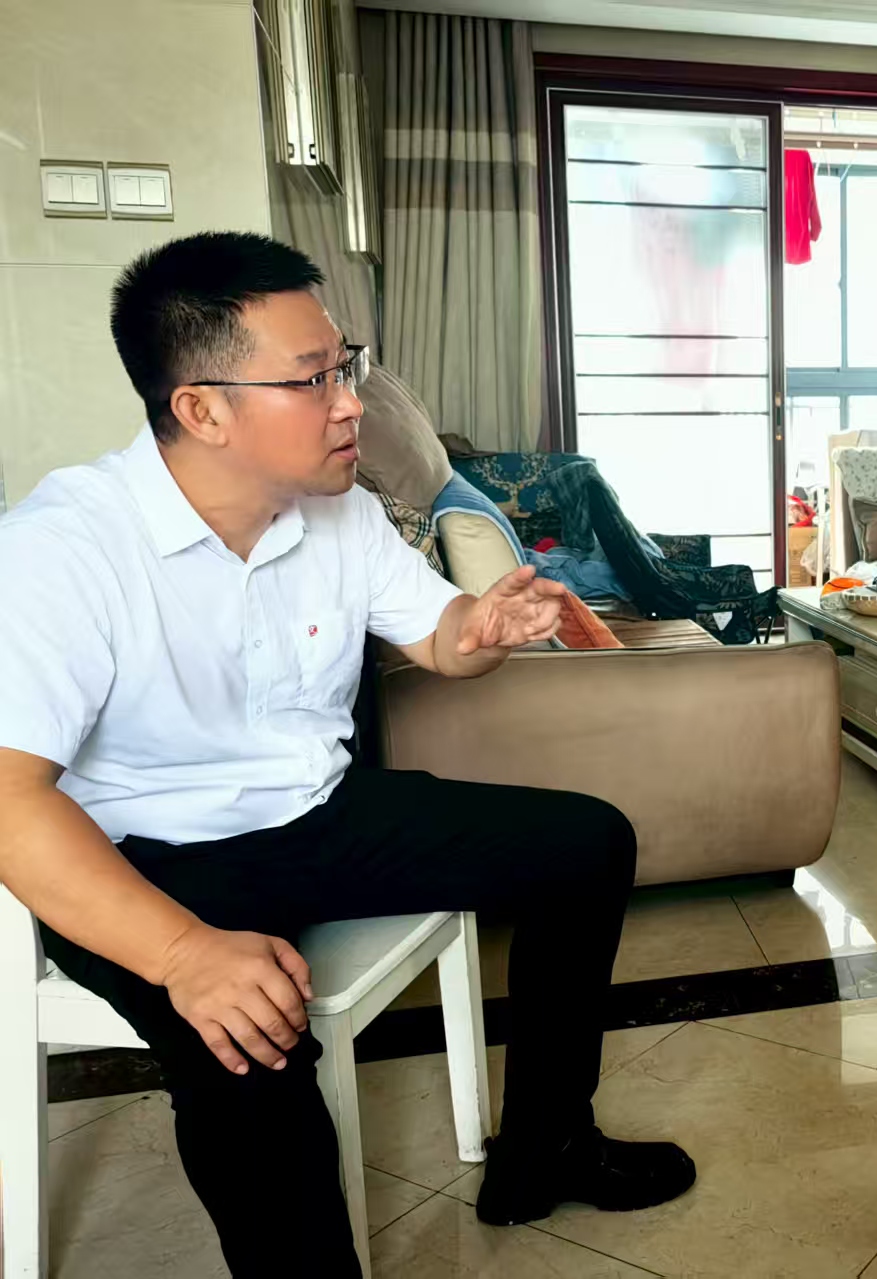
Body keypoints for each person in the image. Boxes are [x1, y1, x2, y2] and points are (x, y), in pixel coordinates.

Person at [0, 232, 695, 1277]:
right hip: (147, 858)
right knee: (249, 1048)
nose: (349, 404)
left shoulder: (344, 512)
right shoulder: (62, 547)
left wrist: (483, 629)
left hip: (316, 814)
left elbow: (438, 639)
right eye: (312, 378)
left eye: (345, 367)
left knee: (586, 844)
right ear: (202, 409)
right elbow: (11, 800)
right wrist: (185, 954)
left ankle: (546, 1147)